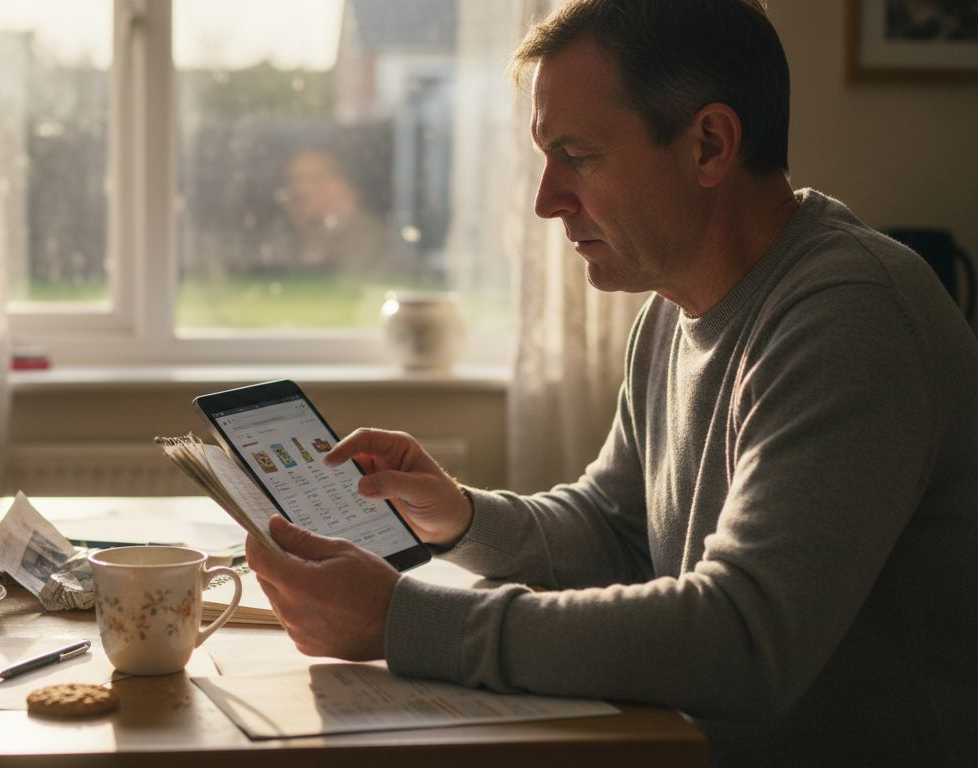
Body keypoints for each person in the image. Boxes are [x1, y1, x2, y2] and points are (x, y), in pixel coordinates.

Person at [244, 1, 978, 766]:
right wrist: (460, 518)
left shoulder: (851, 316)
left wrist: (402, 621)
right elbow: (617, 528)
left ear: (710, 146)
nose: (546, 200)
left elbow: (744, 638)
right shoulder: (673, 310)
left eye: (579, 155)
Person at [260, 147, 390, 278]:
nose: (300, 190)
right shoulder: (279, 241)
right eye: (293, 180)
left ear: (344, 185)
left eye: (314, 179)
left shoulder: (369, 242)